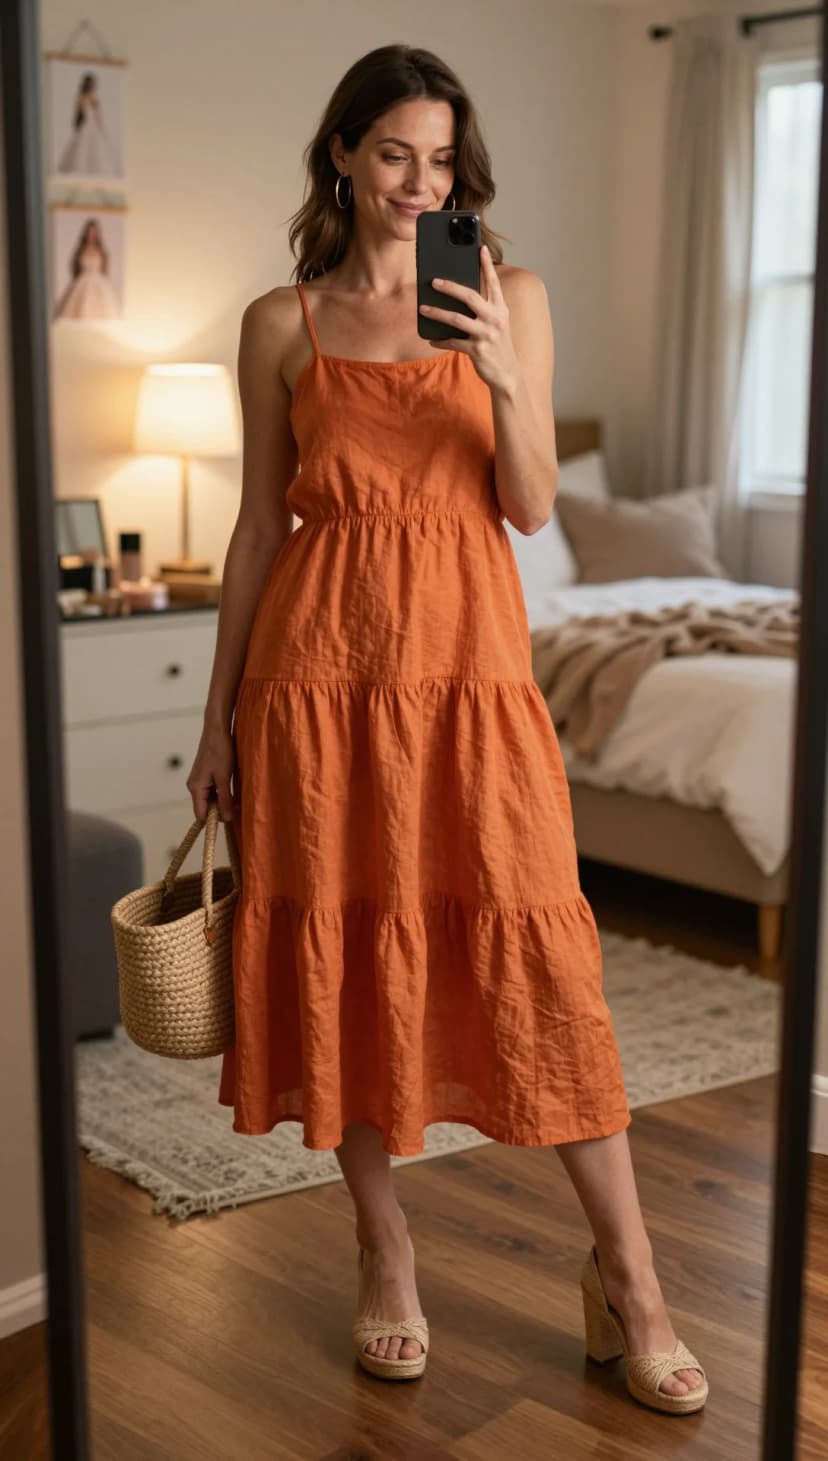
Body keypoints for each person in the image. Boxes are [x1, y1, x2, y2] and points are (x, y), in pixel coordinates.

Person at [185, 43, 707, 1410]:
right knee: (348, 954)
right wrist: (218, 718)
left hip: (470, 682)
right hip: (315, 683)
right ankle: (386, 1247)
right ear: (344, 156)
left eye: (442, 160)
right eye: (395, 154)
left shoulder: (509, 296)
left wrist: (506, 376)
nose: (422, 184)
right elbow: (257, 531)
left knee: (544, 962)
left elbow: (528, 507)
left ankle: (633, 1278)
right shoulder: (282, 323)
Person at [53, 218, 120, 321]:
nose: (91, 234)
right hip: (83, 282)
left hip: (99, 283)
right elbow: (76, 266)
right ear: (85, 233)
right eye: (89, 232)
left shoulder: (101, 251)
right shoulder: (81, 250)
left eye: (94, 232)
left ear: (97, 233)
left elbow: (104, 269)